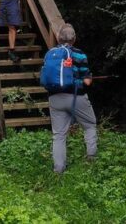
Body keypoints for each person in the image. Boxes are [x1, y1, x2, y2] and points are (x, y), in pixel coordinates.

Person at [44, 24, 97, 174]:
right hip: (76, 97)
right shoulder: (80, 54)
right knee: (90, 125)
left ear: (59, 38)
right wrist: (88, 78)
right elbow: (87, 82)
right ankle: (92, 161)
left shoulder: (50, 54)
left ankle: (59, 170)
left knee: (59, 135)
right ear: (74, 38)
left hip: (55, 98)